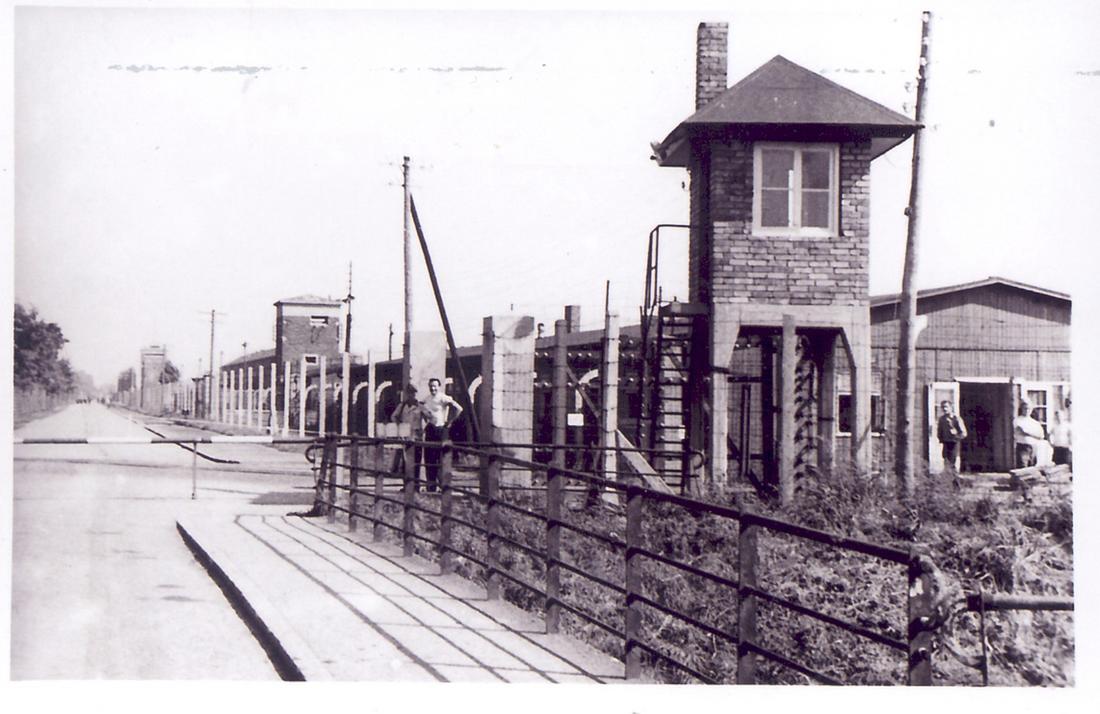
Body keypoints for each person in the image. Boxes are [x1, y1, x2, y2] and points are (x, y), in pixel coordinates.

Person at [421, 377, 463, 493]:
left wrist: (450, 421)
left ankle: (444, 487)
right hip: (430, 430)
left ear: (439, 387)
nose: (433, 388)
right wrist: (426, 417)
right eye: (431, 386)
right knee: (429, 459)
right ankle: (431, 487)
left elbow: (459, 408)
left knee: (441, 459)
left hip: (441, 430)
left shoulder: (443, 397)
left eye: (435, 386)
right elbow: (422, 410)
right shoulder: (427, 399)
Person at [390, 385, 423, 483]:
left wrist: (423, 429)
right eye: (409, 393)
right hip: (405, 437)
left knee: (416, 462)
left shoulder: (420, 406)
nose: (411, 395)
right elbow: (393, 416)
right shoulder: (402, 405)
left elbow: (430, 417)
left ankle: (416, 485)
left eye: (413, 393)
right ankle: (406, 485)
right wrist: (400, 426)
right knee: (405, 461)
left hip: (416, 437)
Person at [936, 400, 967, 476]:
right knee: (946, 461)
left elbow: (964, 433)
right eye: (943, 407)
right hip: (946, 443)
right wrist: (940, 439)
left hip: (954, 443)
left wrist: (956, 436)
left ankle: (955, 480)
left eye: (946, 407)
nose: (945, 409)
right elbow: (939, 431)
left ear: (951, 407)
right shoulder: (942, 419)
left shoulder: (956, 419)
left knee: (952, 462)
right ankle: (948, 479)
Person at [1013, 403, 1045, 469]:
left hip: (1033, 446)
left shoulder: (1034, 422)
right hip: (1023, 446)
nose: (1027, 410)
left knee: (1032, 467)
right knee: (1022, 466)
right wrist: (1034, 434)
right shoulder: (1018, 420)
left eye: (1029, 409)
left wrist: (1027, 433)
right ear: (1022, 409)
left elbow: (1041, 436)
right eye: (1025, 408)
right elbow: (1020, 431)